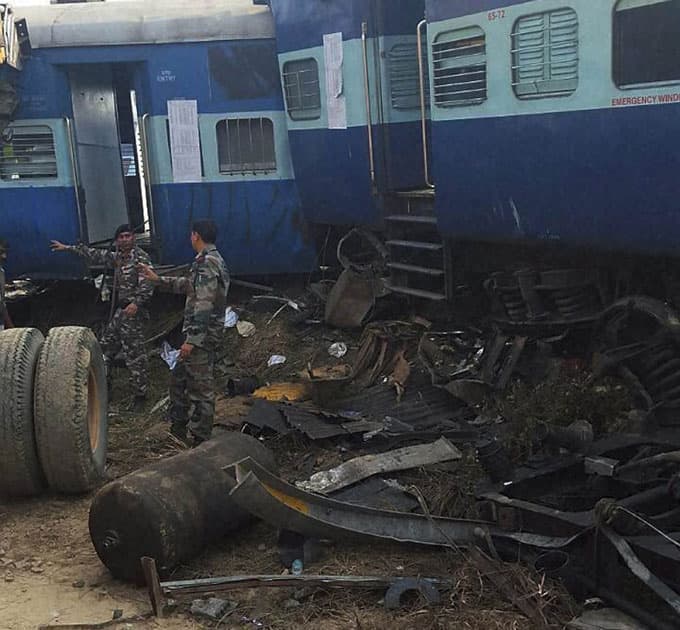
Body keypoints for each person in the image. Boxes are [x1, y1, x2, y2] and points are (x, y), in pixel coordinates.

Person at [139, 219, 229, 445]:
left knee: (201, 389)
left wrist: (193, 340)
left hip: (201, 338)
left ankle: (200, 439)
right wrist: (158, 280)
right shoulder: (206, 261)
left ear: (196, 235)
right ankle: (178, 430)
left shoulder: (208, 263)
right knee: (178, 381)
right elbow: (189, 285)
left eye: (191, 234)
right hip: (197, 336)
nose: (190, 238)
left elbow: (204, 303)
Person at [50, 224, 153, 409]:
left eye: (127, 236)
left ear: (134, 238)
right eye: (120, 237)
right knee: (104, 347)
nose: (124, 239)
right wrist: (67, 248)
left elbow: (148, 285)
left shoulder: (141, 258)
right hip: (120, 314)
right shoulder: (117, 258)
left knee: (135, 355)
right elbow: (93, 254)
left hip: (133, 314)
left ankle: (141, 395)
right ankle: (105, 387)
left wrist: (136, 303)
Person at [0, 239, 14, 331]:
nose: (4, 256)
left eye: (5, 252)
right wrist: (11, 328)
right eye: (1, 252)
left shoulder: (1, 270)